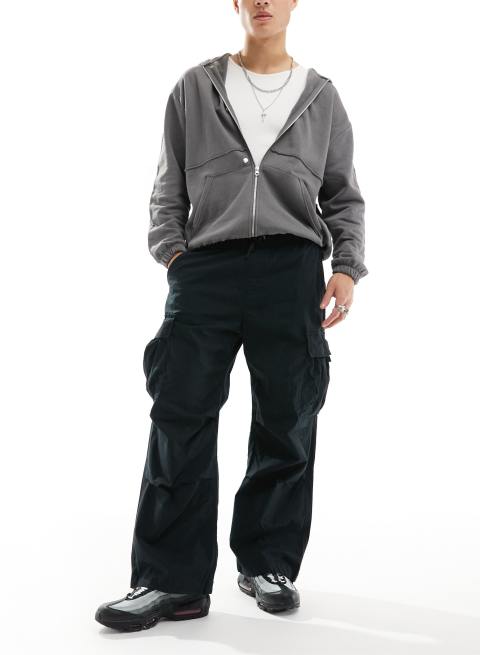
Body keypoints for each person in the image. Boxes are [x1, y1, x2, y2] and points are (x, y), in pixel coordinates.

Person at [95, 0, 368, 632]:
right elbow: (167, 186)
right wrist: (174, 254)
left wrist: (347, 267)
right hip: (206, 270)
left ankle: (267, 564)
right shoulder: (196, 87)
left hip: (291, 271)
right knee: (180, 416)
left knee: (287, 418)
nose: (264, 2)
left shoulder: (322, 96)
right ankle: (170, 583)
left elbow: (343, 194)